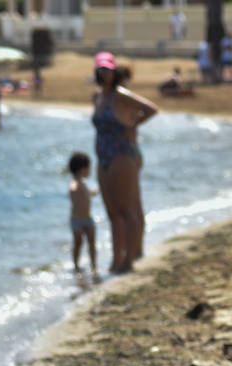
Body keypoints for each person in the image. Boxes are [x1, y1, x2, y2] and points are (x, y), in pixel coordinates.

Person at [91, 53, 158, 274]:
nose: (104, 74)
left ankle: (130, 259)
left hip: (122, 154)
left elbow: (151, 108)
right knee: (112, 213)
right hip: (103, 157)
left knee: (128, 209)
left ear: (114, 72)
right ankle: (116, 259)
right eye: (100, 70)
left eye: (108, 70)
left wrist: (132, 126)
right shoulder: (97, 96)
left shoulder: (120, 95)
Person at [67, 152, 99, 277]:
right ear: (82, 169)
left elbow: (90, 193)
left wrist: (97, 190)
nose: (90, 171)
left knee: (92, 242)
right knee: (78, 242)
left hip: (87, 217)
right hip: (76, 218)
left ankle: (94, 266)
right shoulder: (75, 182)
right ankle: (76, 265)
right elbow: (73, 186)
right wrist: (74, 187)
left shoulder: (83, 183)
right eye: (89, 168)